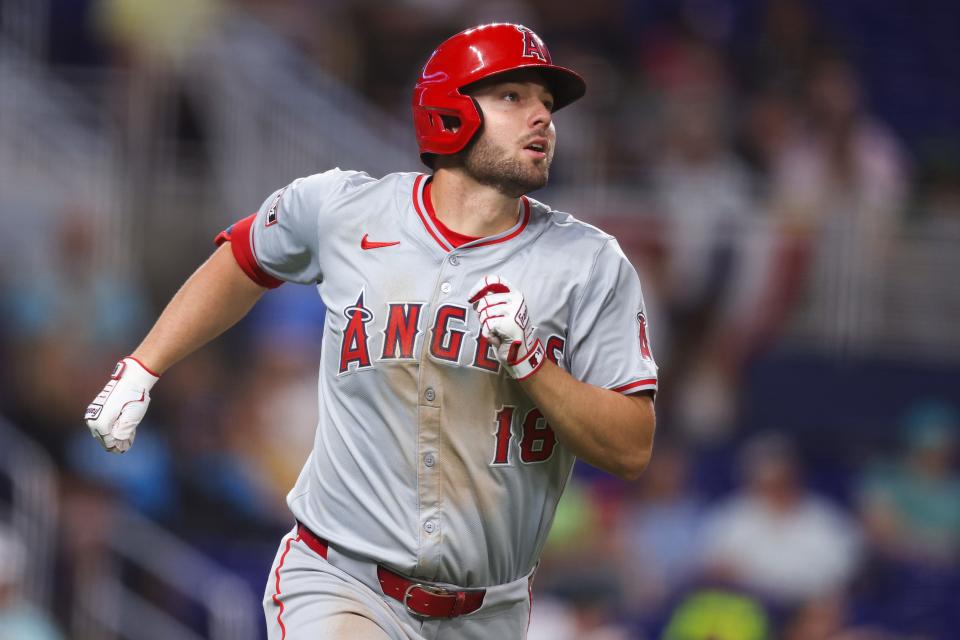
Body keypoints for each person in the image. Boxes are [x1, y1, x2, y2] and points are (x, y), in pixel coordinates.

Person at [84, 23, 658, 639]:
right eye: (513, 97)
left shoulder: (589, 263)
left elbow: (630, 447)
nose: (542, 117)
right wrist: (143, 366)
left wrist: (532, 364)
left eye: (547, 104)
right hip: (342, 581)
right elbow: (244, 257)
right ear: (448, 112)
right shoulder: (345, 210)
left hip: (490, 611)